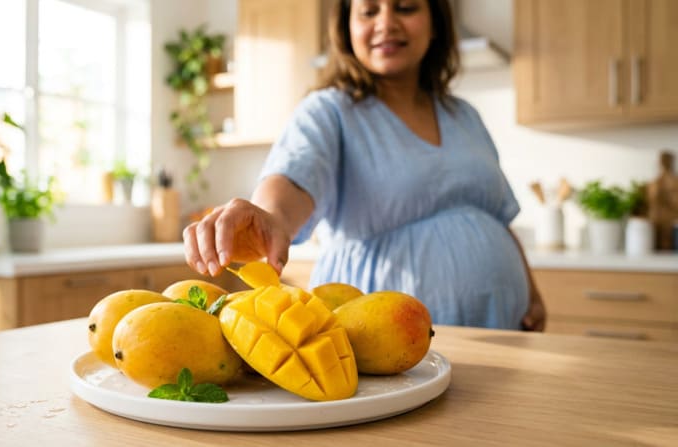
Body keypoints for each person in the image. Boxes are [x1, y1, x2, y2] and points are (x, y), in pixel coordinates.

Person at [183, 0, 546, 331]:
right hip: (384, 333)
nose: (386, 23)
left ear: (435, 23)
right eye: (369, 11)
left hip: (503, 325)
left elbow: (498, 217)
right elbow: (292, 180)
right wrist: (268, 217)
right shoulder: (328, 111)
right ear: (347, 29)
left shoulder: (465, 116)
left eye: (405, 7)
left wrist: (531, 292)